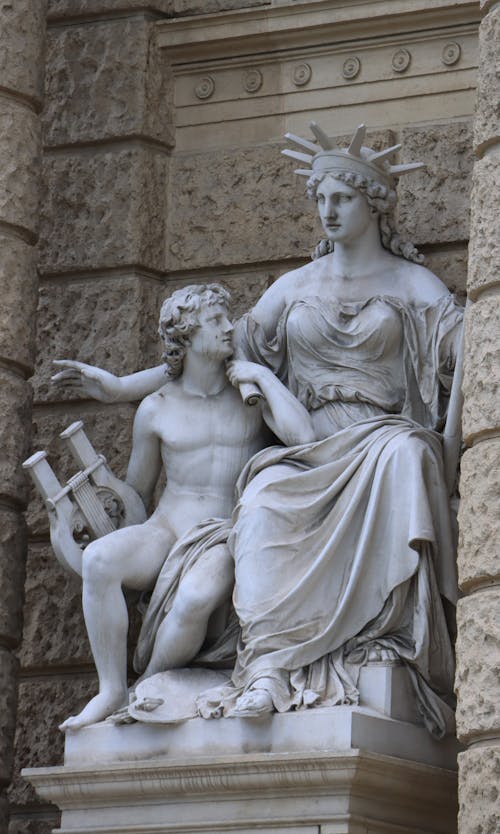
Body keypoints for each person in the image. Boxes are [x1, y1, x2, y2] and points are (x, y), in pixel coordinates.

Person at [55, 124, 463, 738]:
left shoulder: (414, 287)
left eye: (342, 198)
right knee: (265, 495)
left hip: (379, 435)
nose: (327, 210)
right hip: (302, 446)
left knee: (406, 455)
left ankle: (381, 637)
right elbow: (199, 357)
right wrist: (118, 388)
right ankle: (268, 666)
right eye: (320, 198)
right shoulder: (293, 288)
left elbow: (465, 349)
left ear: (374, 203)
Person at [58, 283, 314, 730]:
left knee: (195, 596)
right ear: (187, 337)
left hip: (223, 531)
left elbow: (305, 439)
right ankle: (112, 690)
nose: (228, 327)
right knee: (100, 559)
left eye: (225, 317)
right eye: (215, 321)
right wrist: (87, 514)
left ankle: (148, 686)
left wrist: (266, 379)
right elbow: (136, 494)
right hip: (166, 529)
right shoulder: (155, 409)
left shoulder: (249, 397)